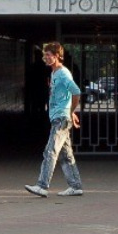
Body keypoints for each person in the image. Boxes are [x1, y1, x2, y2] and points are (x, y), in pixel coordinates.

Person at [25, 41, 84, 198]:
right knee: (66, 155)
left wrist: (70, 111)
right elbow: (65, 95)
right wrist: (69, 111)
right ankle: (75, 186)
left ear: (57, 56)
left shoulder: (63, 73)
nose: (45, 57)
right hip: (58, 116)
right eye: (44, 55)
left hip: (61, 119)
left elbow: (76, 91)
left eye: (48, 55)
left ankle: (42, 186)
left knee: (50, 151)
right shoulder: (54, 73)